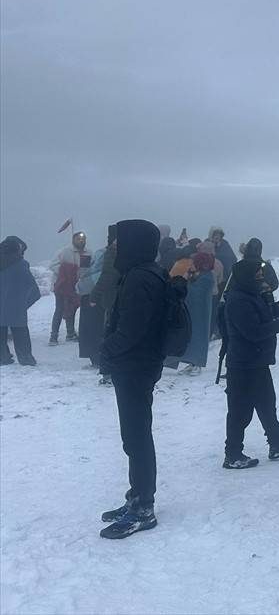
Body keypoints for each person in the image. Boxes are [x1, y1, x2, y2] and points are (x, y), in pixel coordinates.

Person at [98, 219, 169, 539]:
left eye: (118, 241)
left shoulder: (140, 276)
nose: (114, 246)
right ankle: (137, 498)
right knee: (134, 435)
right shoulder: (145, 271)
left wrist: (106, 349)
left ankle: (143, 507)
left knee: (137, 435)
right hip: (138, 363)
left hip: (134, 364)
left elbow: (132, 328)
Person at [222, 258, 279, 468]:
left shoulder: (250, 295)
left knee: (267, 404)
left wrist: (278, 308)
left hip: (256, 361)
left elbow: (261, 317)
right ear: (247, 277)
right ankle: (232, 454)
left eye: (261, 276)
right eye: (257, 276)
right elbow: (253, 331)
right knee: (240, 411)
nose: (260, 279)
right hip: (243, 364)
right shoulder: (239, 300)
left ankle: (277, 443)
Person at [1, 236, 40, 366]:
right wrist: (23, 304)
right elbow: (33, 290)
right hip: (16, 308)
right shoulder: (21, 265)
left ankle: (3, 358)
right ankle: (26, 358)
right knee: (20, 331)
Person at [77, 227, 112, 369]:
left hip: (92, 296)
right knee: (97, 328)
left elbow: (81, 285)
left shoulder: (97, 256)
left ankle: (95, 357)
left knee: (92, 329)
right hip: (98, 296)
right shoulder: (105, 256)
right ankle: (97, 357)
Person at [90, 226, 121, 384]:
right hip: (124, 299)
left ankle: (107, 372)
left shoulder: (111, 252)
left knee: (109, 334)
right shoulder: (132, 253)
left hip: (111, 300)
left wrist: (95, 295)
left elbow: (106, 275)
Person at [50, 230, 89, 344]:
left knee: (72, 307)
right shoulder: (64, 251)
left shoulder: (88, 252)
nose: (81, 241)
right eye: (78, 239)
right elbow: (53, 265)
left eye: (83, 239)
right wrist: (67, 272)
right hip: (62, 285)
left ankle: (70, 333)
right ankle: (54, 336)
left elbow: (87, 270)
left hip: (77, 286)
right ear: (73, 240)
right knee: (60, 308)